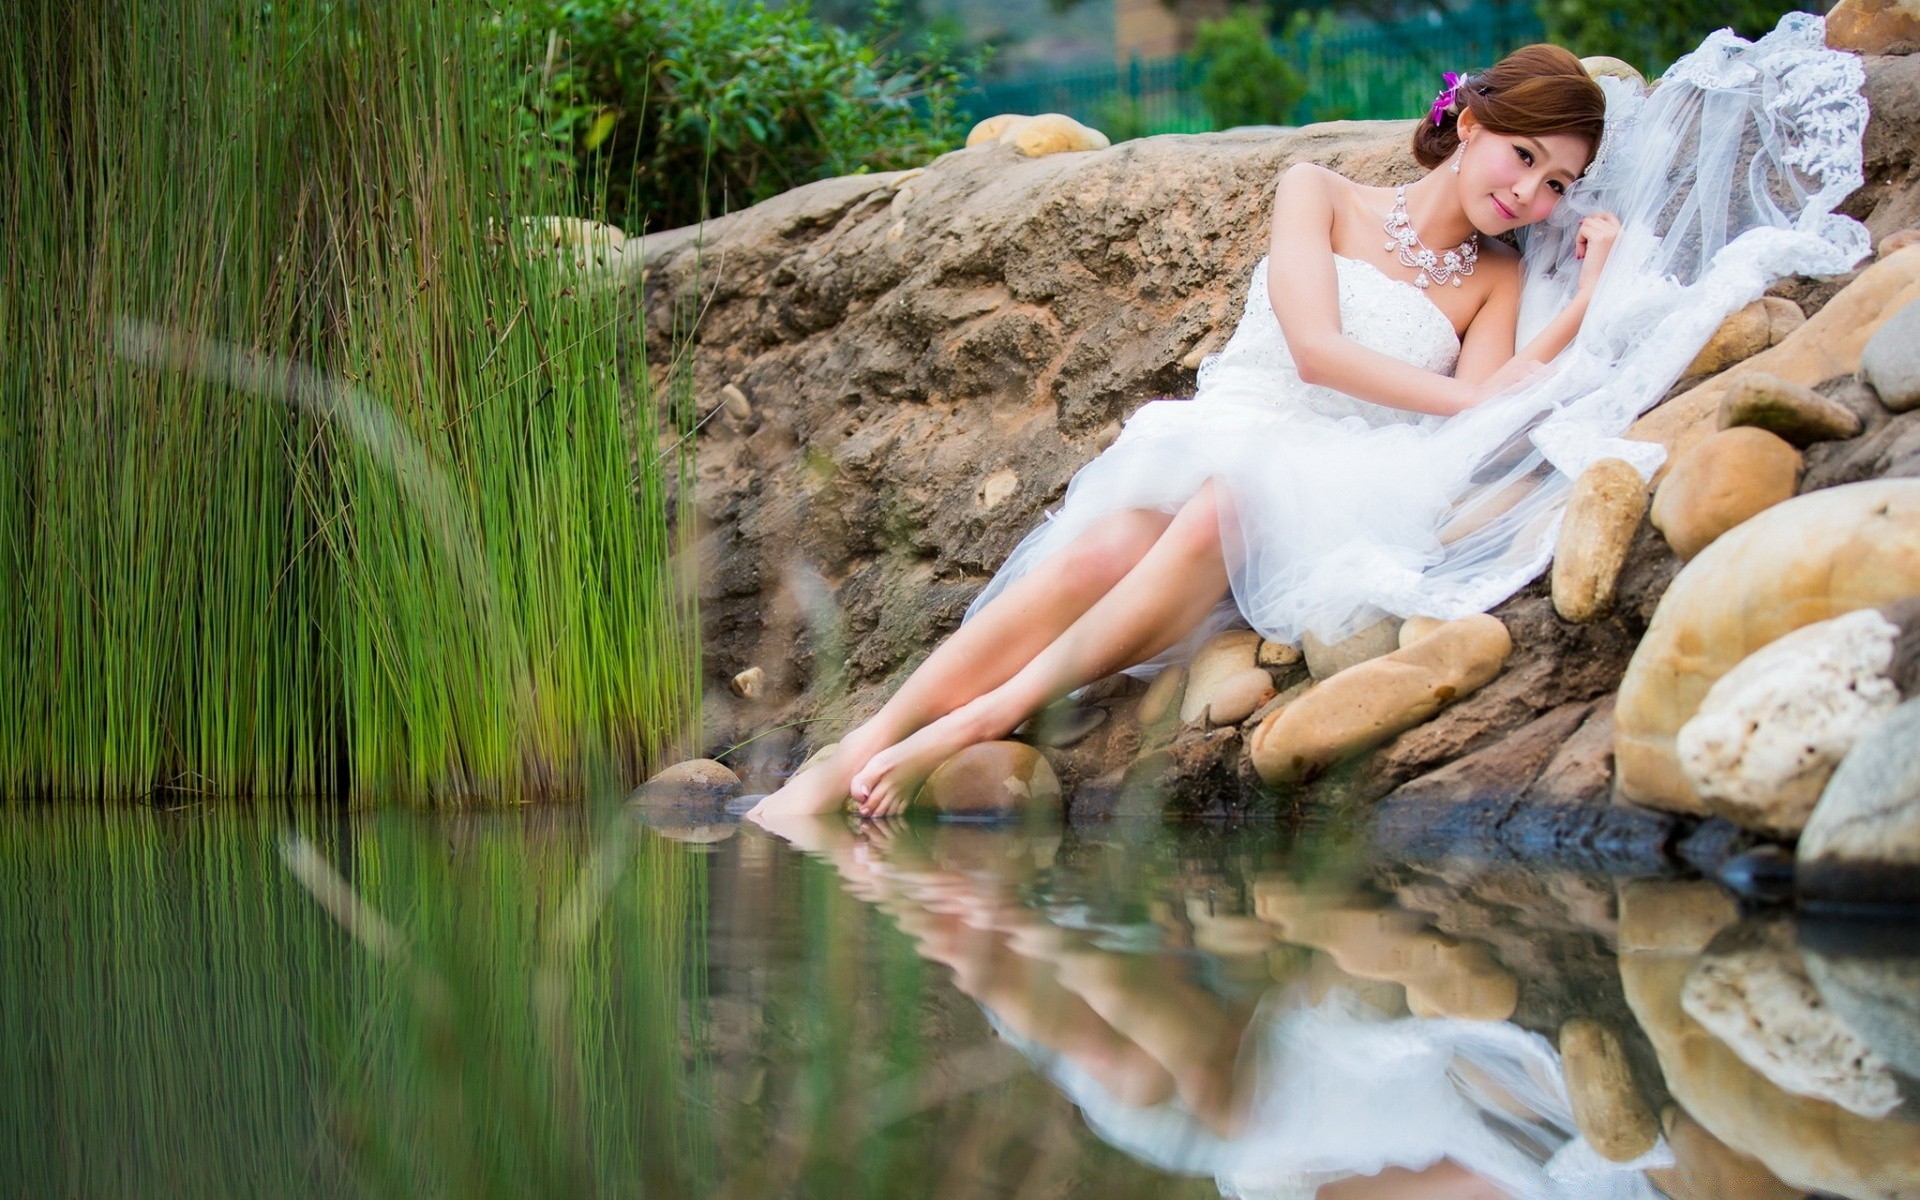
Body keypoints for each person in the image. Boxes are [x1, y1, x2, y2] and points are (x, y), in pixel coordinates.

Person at [748, 15, 1870, 824]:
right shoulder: (1319, 191)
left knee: (1227, 506)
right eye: (1523, 157)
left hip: (1324, 480)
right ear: (1472, 119)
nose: (1529, 195)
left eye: (1557, 185)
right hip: (1224, 428)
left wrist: (1584, 300)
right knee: (1092, 548)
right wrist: (1474, 388)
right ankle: (848, 752)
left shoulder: (1489, 284)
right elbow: (1319, 344)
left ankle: (976, 719)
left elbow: (1487, 413)